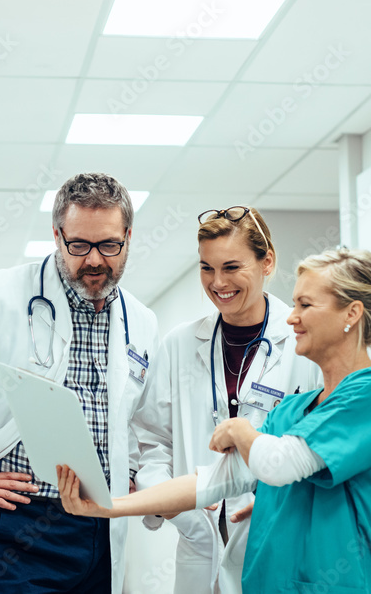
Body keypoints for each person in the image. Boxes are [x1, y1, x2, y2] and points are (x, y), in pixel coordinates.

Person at [59, 247, 371, 594]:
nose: (291, 317)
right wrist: (108, 506)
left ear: (351, 313)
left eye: (305, 305)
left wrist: (239, 429)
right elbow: (214, 480)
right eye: (294, 304)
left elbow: (278, 463)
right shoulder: (293, 410)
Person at [0, 173, 159, 594]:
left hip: (99, 526)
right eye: (79, 245)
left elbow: (143, 418)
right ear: (56, 235)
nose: (94, 261)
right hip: (18, 525)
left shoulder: (141, 321)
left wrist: (136, 470)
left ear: (127, 236)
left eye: (108, 245)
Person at [132, 206, 322, 594]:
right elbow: (152, 442)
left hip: (275, 542)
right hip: (198, 545)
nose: (218, 282)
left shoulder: (305, 344)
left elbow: (318, 452)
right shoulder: (180, 345)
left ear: (267, 262)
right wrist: (162, 495)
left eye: (232, 267)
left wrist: (279, 501)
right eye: (207, 268)